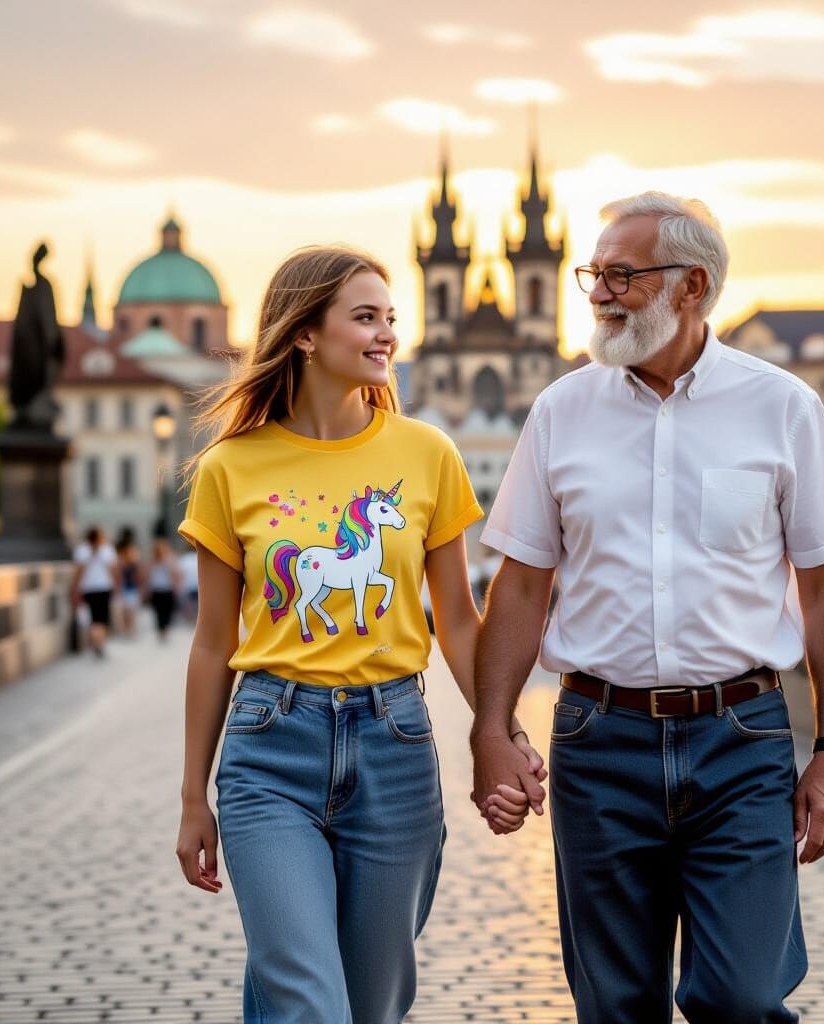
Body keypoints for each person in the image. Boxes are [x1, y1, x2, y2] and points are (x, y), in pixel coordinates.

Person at [471, 192, 824, 1024]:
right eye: (594, 274)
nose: (599, 292)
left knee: (741, 995)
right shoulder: (560, 410)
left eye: (622, 275)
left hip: (741, 738)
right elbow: (518, 585)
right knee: (616, 1005)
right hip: (598, 737)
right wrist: (492, 726)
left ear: (692, 286)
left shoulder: (782, 406)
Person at [175, 246, 544, 1024]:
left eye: (391, 319)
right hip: (270, 746)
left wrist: (500, 729)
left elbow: (457, 620)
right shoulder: (230, 467)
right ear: (305, 334)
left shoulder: (427, 453)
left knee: (369, 1008)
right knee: (310, 1002)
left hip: (394, 746)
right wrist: (191, 797)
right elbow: (212, 644)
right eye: (366, 318)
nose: (387, 336)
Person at [71, 525, 119, 658]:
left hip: (89, 589)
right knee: (102, 618)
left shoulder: (82, 550)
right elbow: (114, 571)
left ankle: (96, 643)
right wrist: (116, 587)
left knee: (93, 619)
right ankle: (100, 643)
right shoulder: (107, 550)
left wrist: (74, 589)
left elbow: (78, 573)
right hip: (104, 588)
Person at [147, 536, 182, 642]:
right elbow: (147, 575)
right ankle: (162, 630)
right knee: (159, 612)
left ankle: (164, 629)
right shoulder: (152, 561)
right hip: (157, 589)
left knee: (166, 611)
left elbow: (175, 573)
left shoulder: (169, 559)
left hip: (166, 589)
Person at [115, 526, 143, 637]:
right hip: (128, 586)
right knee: (128, 610)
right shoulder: (131, 552)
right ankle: (129, 629)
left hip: (128, 586)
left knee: (128, 610)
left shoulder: (124, 553)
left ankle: (128, 629)